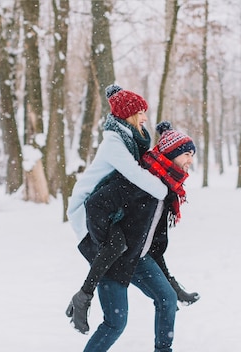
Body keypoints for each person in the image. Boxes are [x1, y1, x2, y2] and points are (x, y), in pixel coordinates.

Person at [75, 121, 198, 352]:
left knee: (167, 299)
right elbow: (95, 204)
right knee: (115, 324)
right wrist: (111, 239)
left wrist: (171, 282)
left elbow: (154, 243)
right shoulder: (139, 181)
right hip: (113, 261)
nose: (190, 160)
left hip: (139, 258)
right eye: (187, 154)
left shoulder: (167, 190)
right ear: (171, 155)